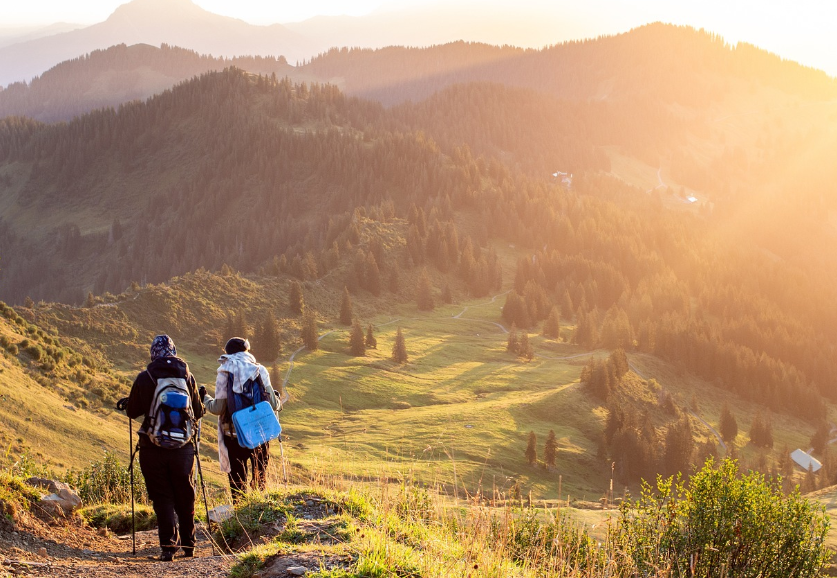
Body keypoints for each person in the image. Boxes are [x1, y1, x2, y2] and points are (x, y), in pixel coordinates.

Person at [124, 334, 204, 561]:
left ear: (153, 353)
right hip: (183, 448)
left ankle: (169, 547)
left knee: (162, 496)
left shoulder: (145, 376)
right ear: (173, 351)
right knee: (185, 494)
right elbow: (197, 412)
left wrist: (128, 403)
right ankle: (190, 545)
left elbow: (132, 412)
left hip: (152, 447)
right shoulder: (187, 376)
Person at [202, 337, 281, 501]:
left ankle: (240, 516)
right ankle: (260, 517)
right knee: (260, 479)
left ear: (228, 353)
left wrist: (204, 398)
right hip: (260, 434)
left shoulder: (224, 371)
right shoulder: (260, 370)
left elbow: (218, 408)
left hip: (234, 435)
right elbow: (273, 404)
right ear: (247, 351)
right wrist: (278, 400)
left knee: (238, 483)